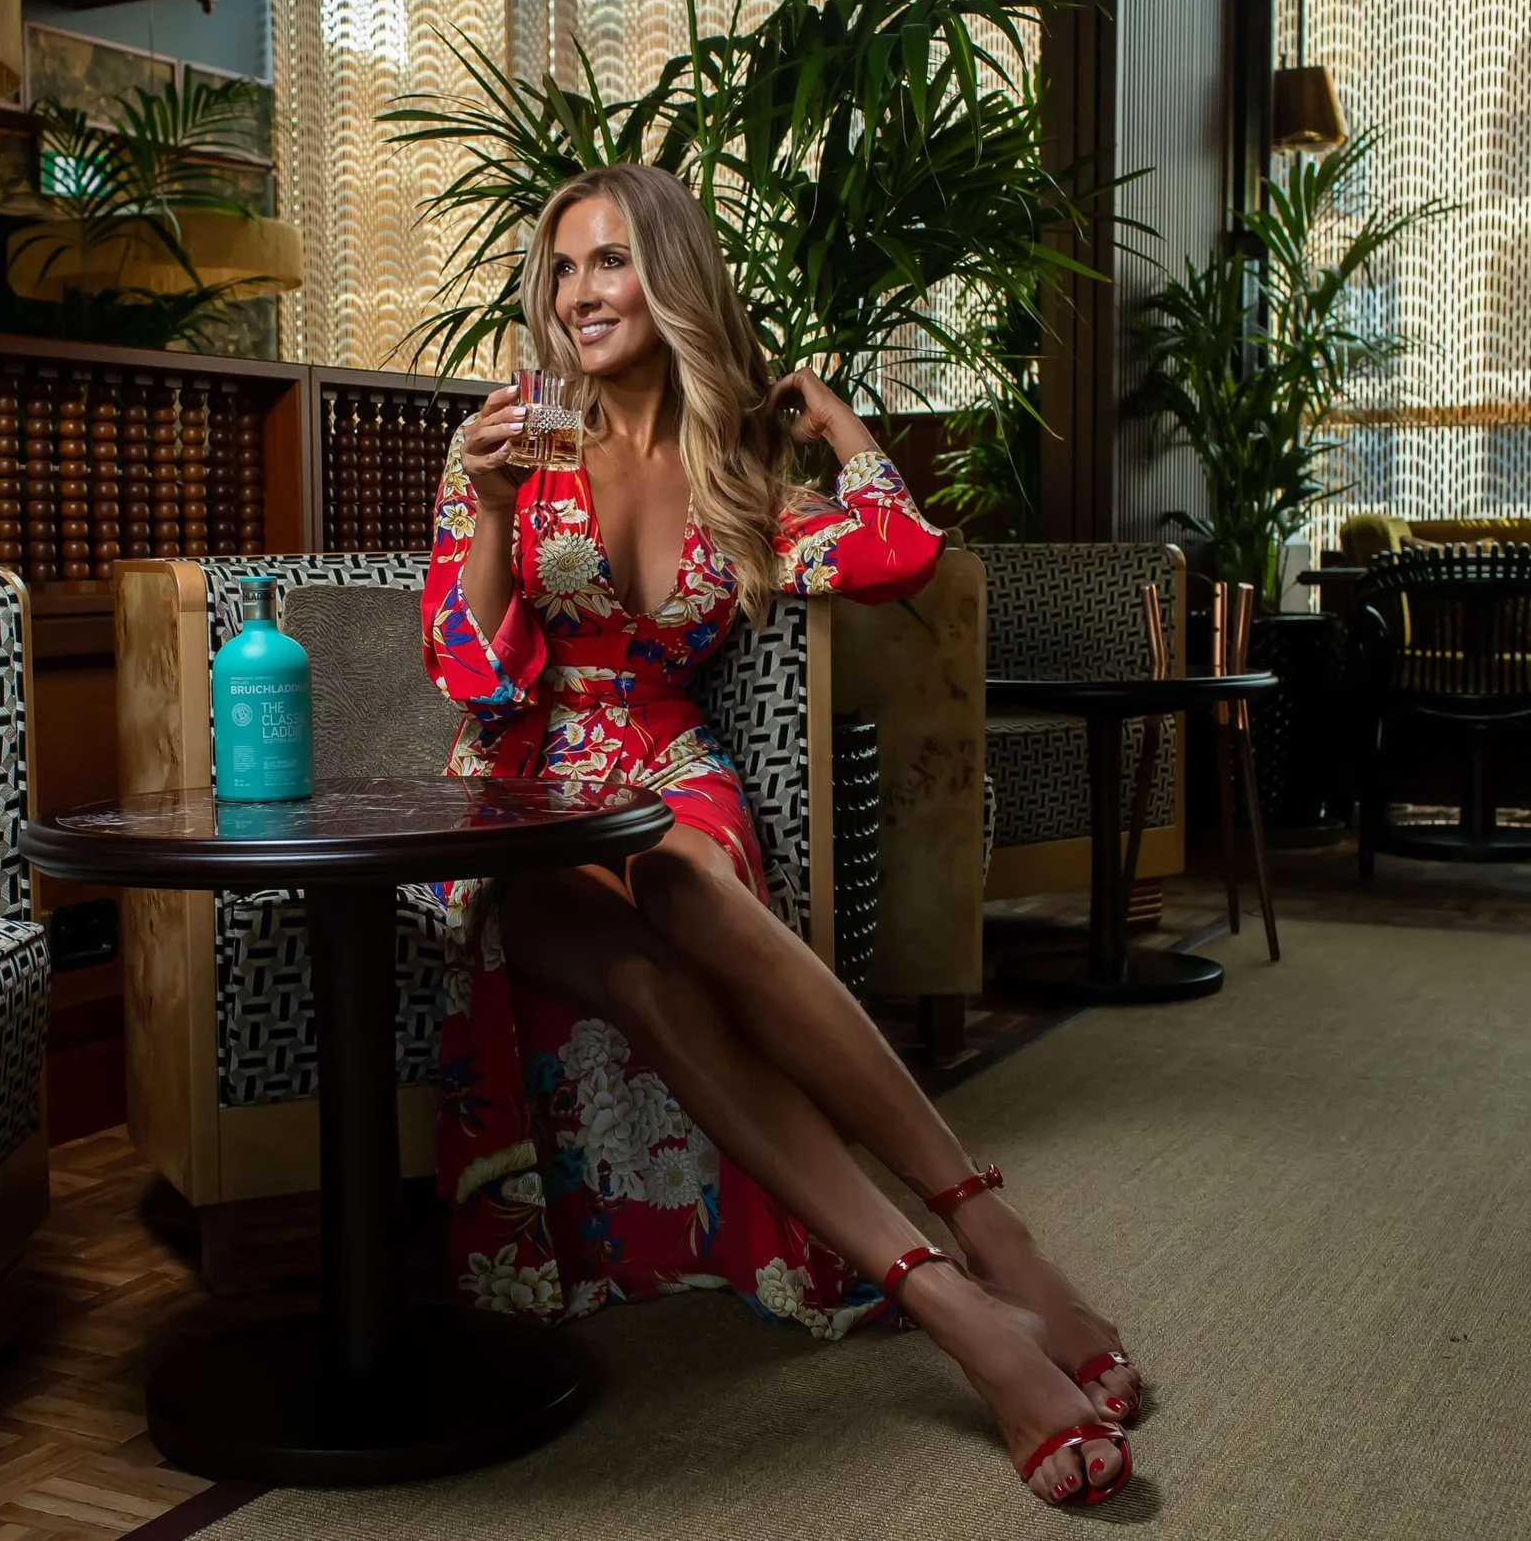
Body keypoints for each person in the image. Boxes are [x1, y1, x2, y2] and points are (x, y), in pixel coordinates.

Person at [420, 164, 1140, 1508]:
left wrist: (836, 422)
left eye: (614, 261)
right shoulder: (507, 441)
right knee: (623, 947)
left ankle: (990, 1232)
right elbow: (470, 673)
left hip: (668, 771)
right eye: (564, 266)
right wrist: (500, 514)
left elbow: (903, 550)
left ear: (671, 277)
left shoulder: (735, 467)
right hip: (525, 792)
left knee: (687, 898)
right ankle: (970, 1309)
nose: (582, 290)